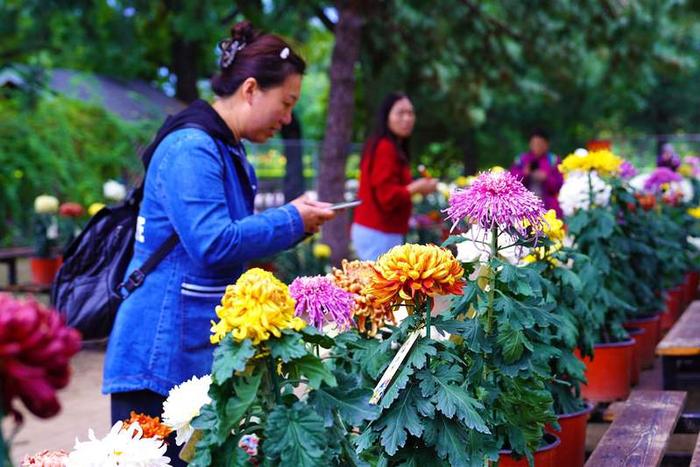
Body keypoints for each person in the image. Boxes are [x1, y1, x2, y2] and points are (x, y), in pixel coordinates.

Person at [102, 21, 334, 464]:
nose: (287, 118)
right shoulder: (192, 147)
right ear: (250, 89)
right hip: (159, 358)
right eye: (285, 103)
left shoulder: (222, 146)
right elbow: (213, 242)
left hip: (185, 352)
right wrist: (291, 218)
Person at [351, 92, 437, 260]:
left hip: (379, 231)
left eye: (411, 113)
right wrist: (418, 187)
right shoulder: (385, 148)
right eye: (400, 112)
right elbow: (387, 196)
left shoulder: (387, 145)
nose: (407, 118)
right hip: (378, 232)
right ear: (387, 117)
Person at [510, 128, 564, 216]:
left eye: (540, 144)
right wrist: (524, 174)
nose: (536, 147)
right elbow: (511, 182)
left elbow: (559, 186)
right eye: (534, 144)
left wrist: (546, 178)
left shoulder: (554, 161)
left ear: (547, 145)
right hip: (523, 210)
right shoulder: (521, 160)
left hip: (549, 210)